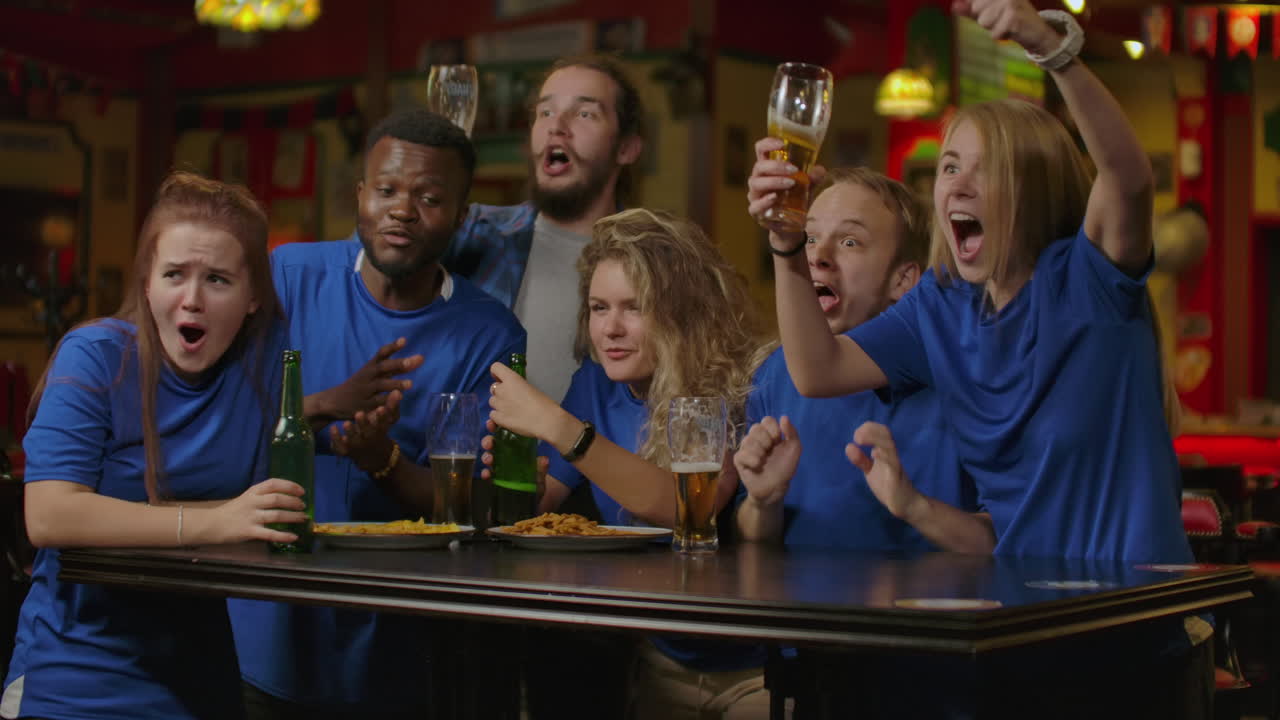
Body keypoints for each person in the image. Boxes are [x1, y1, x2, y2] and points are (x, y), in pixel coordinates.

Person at [748, 0, 1202, 716]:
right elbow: (817, 370)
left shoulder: (1087, 283)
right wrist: (784, 245)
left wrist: (1053, 51)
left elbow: (1130, 177)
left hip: (1129, 634)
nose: (953, 185)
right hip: (1024, 634)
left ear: (1034, 184)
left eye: (981, 171)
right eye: (948, 164)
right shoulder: (943, 306)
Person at [228, 109, 526, 719]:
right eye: (386, 190)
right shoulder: (289, 275)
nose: (402, 210)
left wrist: (381, 459)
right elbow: (216, 428)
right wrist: (325, 406)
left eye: (429, 197)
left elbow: (464, 510)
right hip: (262, 628)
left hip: (393, 648)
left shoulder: (489, 334)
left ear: (462, 216)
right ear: (360, 195)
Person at [0, 171, 307, 720]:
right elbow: (48, 514)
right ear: (147, 283)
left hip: (200, 675)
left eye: (217, 280)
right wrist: (214, 522)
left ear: (253, 296)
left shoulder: (263, 364)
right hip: (78, 672)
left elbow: (258, 507)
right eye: (174, 275)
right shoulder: (95, 356)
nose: (191, 299)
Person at [484, 208, 770, 720]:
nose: (610, 329)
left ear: (682, 311)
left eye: (634, 308)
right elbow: (540, 506)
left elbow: (689, 508)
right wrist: (515, 474)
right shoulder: (594, 387)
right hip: (661, 659)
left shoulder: (733, 383)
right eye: (598, 308)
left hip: (756, 666)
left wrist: (557, 426)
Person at [734, 166, 979, 554]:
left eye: (850, 242)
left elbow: (999, 541)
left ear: (904, 282)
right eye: (809, 237)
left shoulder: (954, 374)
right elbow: (752, 539)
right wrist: (763, 501)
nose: (818, 256)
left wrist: (915, 508)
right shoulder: (773, 375)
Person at [444, 53, 644, 403]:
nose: (557, 126)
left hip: (598, 456)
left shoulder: (653, 263)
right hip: (481, 455)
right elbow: (368, 268)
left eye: (585, 114)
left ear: (626, 148)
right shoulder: (472, 231)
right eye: (545, 112)